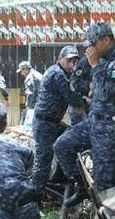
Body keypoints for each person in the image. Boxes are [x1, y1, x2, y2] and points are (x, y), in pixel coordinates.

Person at [55, 21, 115, 208]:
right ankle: (83, 186)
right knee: (62, 146)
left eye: (93, 43)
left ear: (107, 40)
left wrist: (95, 67)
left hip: (112, 130)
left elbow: (111, 91)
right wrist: (90, 89)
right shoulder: (96, 57)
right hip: (93, 121)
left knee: (105, 188)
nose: (89, 49)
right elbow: (77, 80)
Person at [31, 46, 84, 192]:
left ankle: (59, 179)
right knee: (43, 159)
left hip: (52, 122)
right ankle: (35, 195)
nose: (72, 64)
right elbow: (71, 98)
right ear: (60, 59)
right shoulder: (57, 74)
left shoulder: (63, 73)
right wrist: (86, 100)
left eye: (74, 61)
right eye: (69, 60)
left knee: (65, 143)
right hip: (45, 123)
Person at [69, 57, 92, 125]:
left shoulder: (106, 60)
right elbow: (75, 82)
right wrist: (90, 86)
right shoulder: (85, 62)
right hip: (82, 103)